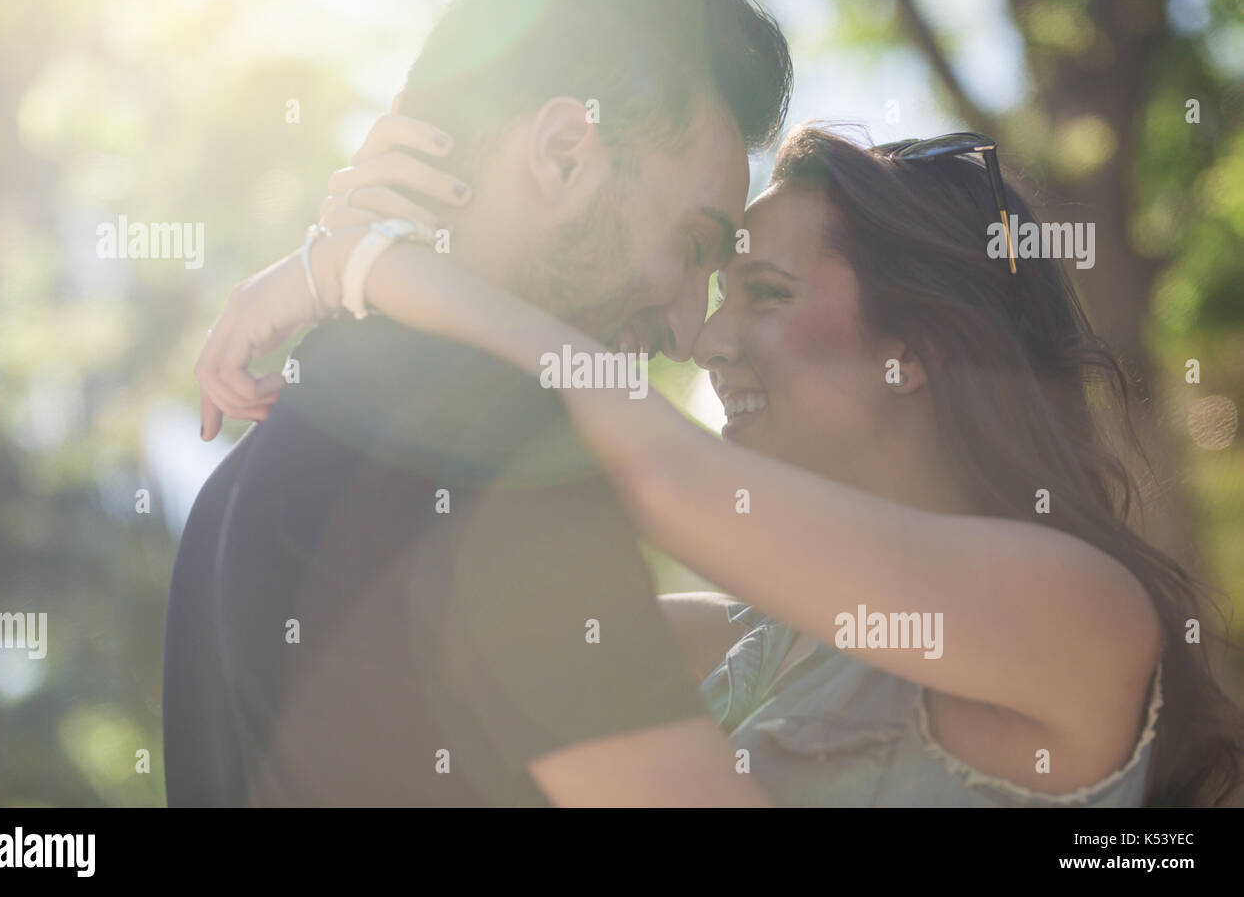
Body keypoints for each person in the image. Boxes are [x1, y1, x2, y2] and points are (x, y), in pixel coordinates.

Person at [199, 121, 1244, 807]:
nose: (704, 341)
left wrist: (366, 267)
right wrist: (432, 261)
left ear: (915, 350)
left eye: (767, 293)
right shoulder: (746, 644)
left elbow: (658, 472)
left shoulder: (1079, 611)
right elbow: (482, 549)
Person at [163, 0, 792, 806]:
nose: (689, 328)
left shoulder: (236, 483)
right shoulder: (492, 438)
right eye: (693, 247)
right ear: (565, 153)